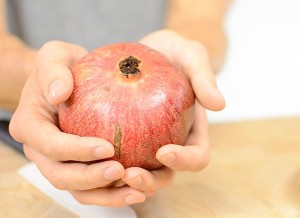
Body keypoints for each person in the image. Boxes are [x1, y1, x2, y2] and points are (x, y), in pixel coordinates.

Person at [0, 0, 231, 207]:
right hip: (23, 135)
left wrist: (190, 58)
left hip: (174, 133)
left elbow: (201, 15)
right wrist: (44, 76)